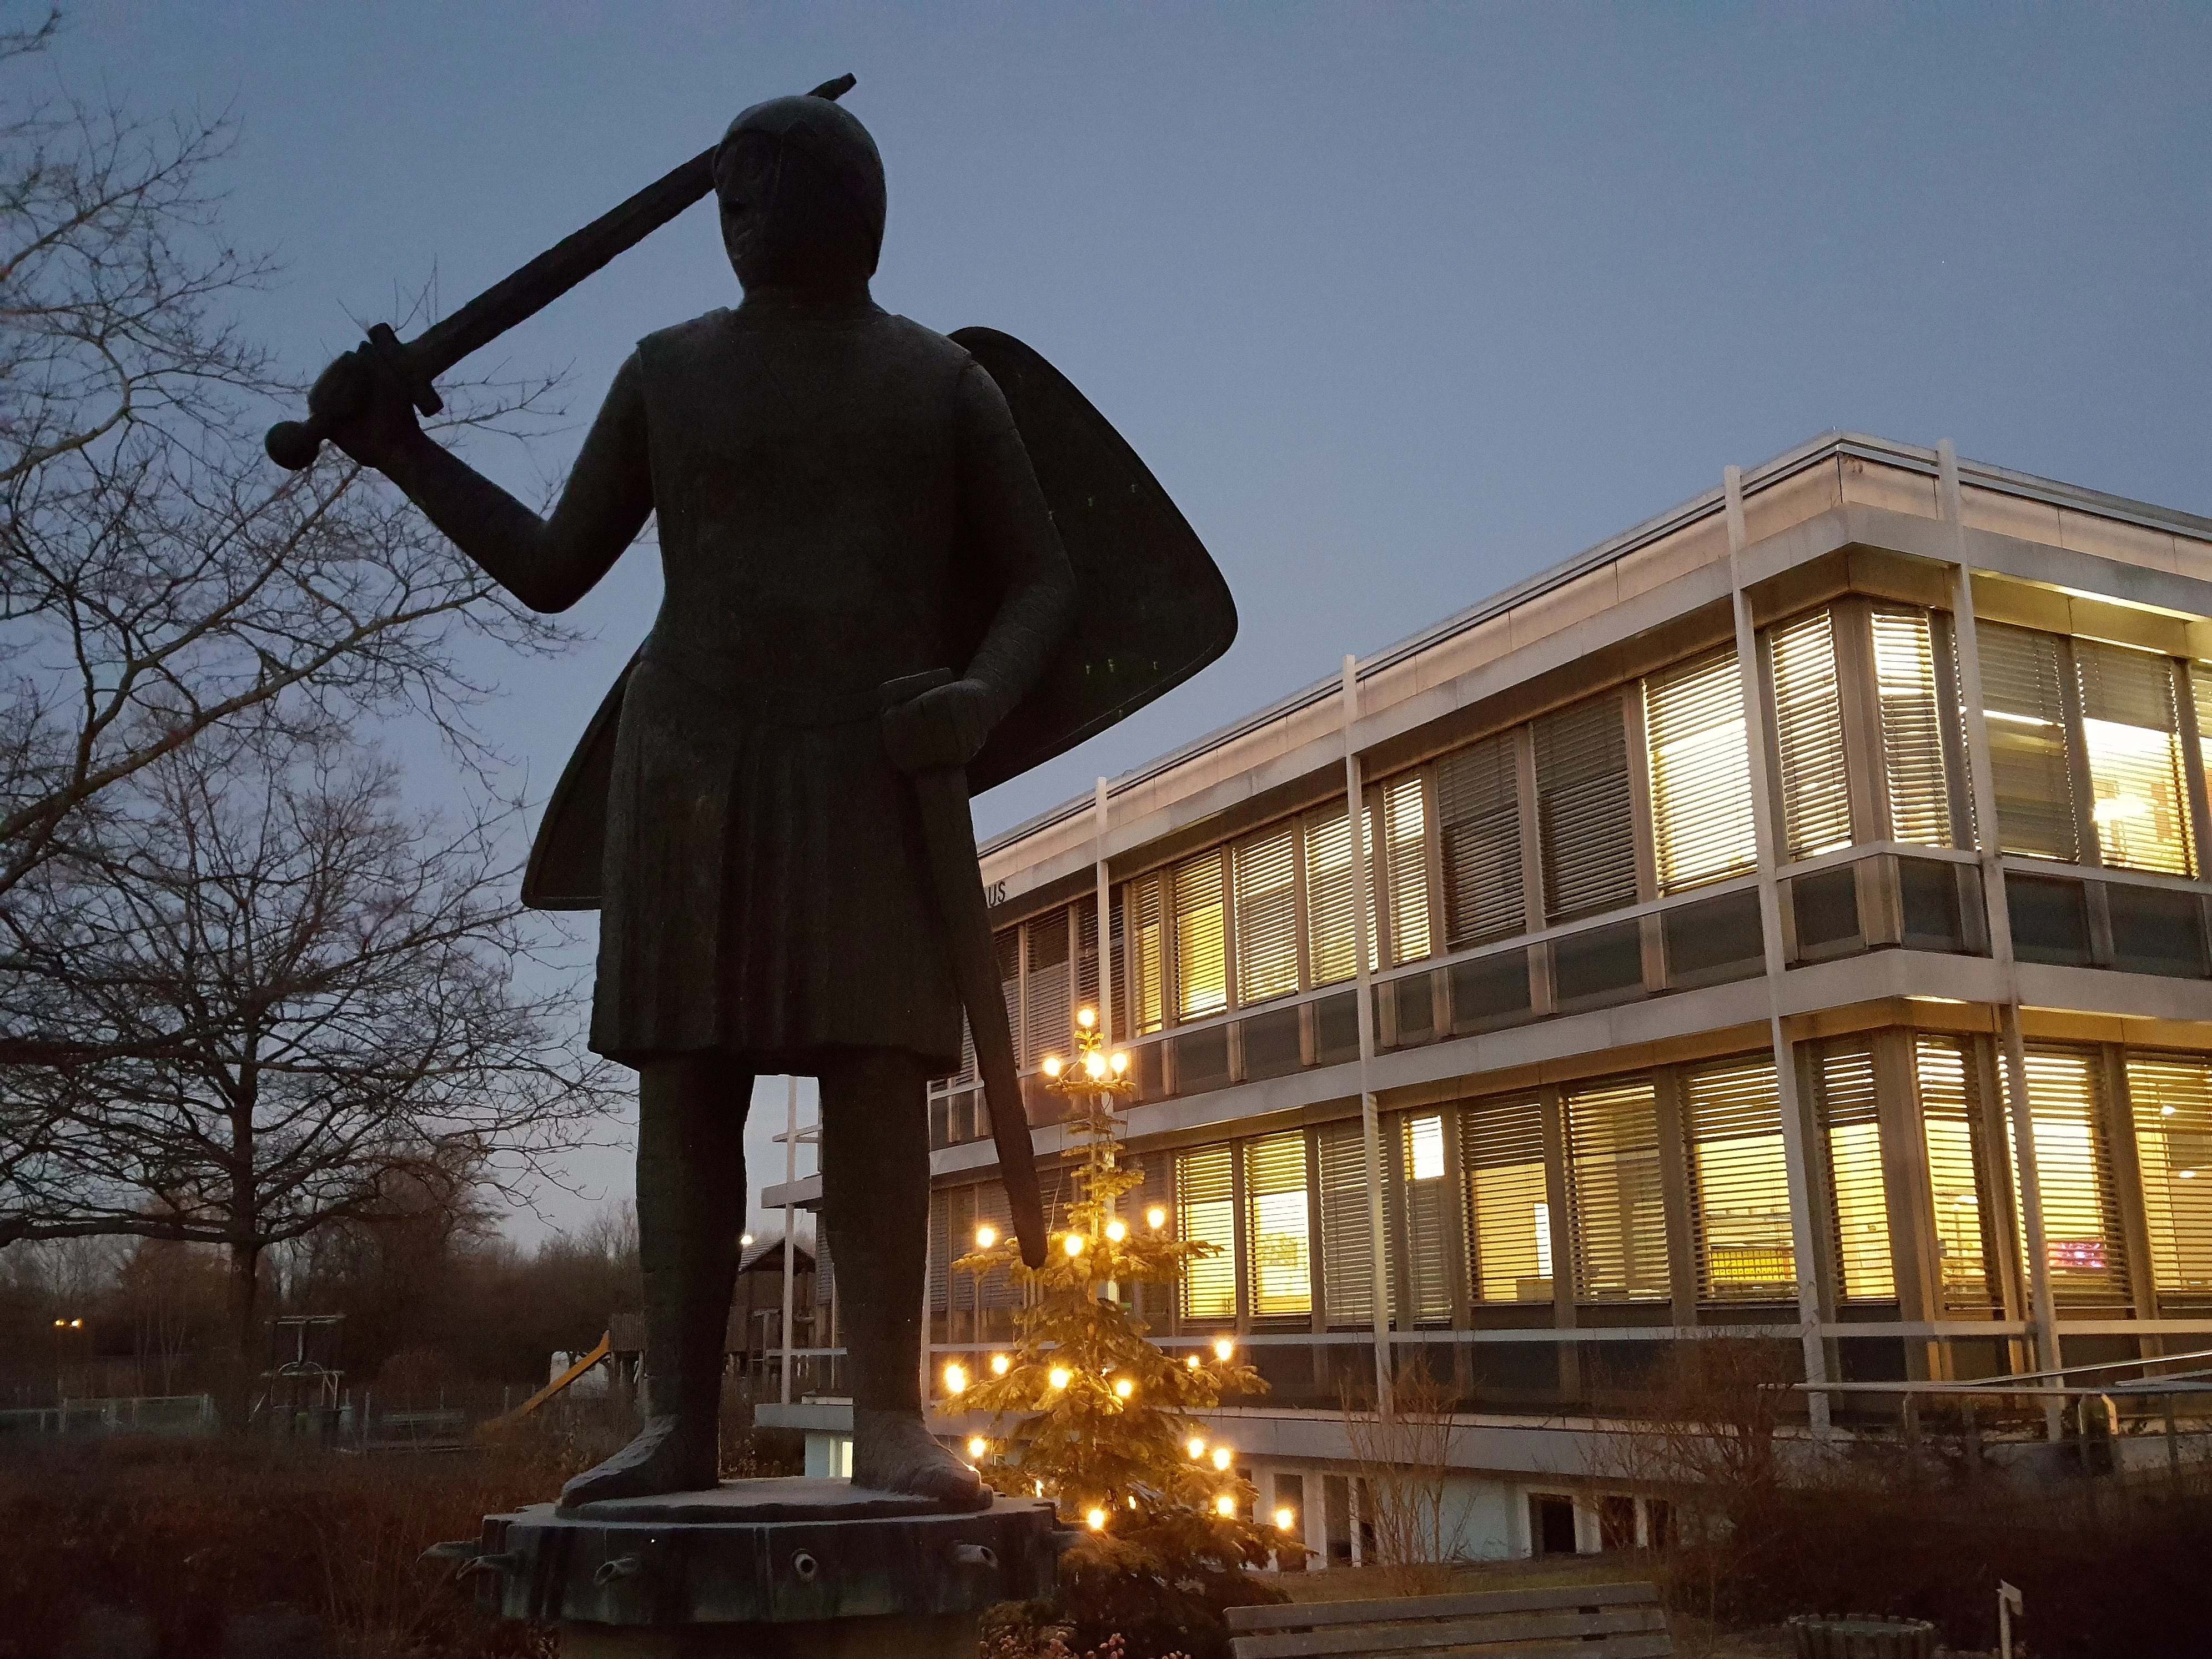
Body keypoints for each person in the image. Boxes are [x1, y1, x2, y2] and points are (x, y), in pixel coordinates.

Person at [309, 86, 1075, 1508]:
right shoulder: (668, 372)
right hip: (692, 764)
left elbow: (1045, 576)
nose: (741, 220)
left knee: (872, 1084)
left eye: (769, 192)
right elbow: (551, 567)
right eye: (726, 195)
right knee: (688, 1084)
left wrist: (979, 698)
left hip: (869, 762)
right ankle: (674, 1425)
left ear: (853, 213)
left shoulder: (940, 384)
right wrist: (398, 451)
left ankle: (893, 1416)